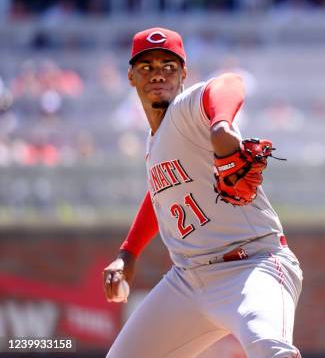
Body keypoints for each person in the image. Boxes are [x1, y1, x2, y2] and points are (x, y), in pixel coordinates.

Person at [102, 27, 303, 358]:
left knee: (271, 350)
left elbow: (227, 83)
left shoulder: (185, 111)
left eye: (168, 66)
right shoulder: (156, 141)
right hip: (188, 281)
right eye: (147, 67)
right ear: (131, 77)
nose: (158, 74)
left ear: (184, 74)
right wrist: (128, 253)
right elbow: (160, 194)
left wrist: (221, 124)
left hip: (252, 265)